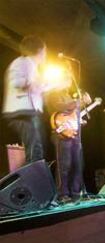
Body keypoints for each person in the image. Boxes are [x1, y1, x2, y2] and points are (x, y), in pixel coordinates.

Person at [2, 35, 68, 163]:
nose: (45, 54)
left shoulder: (32, 67)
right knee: (35, 149)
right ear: (40, 50)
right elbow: (16, 81)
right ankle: (33, 179)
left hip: (28, 112)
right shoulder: (22, 62)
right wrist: (29, 84)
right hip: (21, 112)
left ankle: (34, 176)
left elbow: (39, 87)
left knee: (38, 147)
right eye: (45, 51)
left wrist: (57, 84)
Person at [46, 74, 92, 203]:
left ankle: (76, 193)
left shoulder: (68, 96)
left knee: (78, 163)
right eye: (65, 80)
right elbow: (61, 107)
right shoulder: (53, 93)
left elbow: (72, 113)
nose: (68, 82)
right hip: (61, 133)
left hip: (73, 133)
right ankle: (62, 194)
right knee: (64, 165)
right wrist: (78, 102)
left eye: (69, 80)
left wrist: (78, 119)